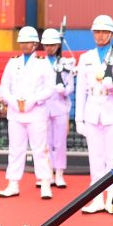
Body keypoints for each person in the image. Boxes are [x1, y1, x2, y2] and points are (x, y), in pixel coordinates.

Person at [74, 14, 113, 214]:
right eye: (97, 31)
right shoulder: (85, 58)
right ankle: (95, 199)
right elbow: (80, 91)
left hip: (112, 109)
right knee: (95, 159)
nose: (100, 35)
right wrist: (78, 118)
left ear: (112, 34)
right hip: (92, 110)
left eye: (104, 32)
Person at [0, 26, 54, 199]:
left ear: (35, 43)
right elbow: (4, 86)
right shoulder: (13, 62)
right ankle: (13, 183)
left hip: (36, 112)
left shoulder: (43, 63)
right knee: (15, 149)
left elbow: (50, 88)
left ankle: (45, 182)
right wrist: (13, 102)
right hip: (15, 113)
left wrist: (33, 100)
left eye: (28, 42)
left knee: (40, 149)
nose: (24, 45)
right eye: (21, 42)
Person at [42, 28, 74, 189]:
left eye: (52, 44)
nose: (49, 48)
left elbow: (71, 87)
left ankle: (59, 173)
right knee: (44, 143)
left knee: (60, 142)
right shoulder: (39, 63)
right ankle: (45, 173)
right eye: (47, 45)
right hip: (43, 108)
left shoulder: (66, 63)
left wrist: (64, 90)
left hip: (60, 107)